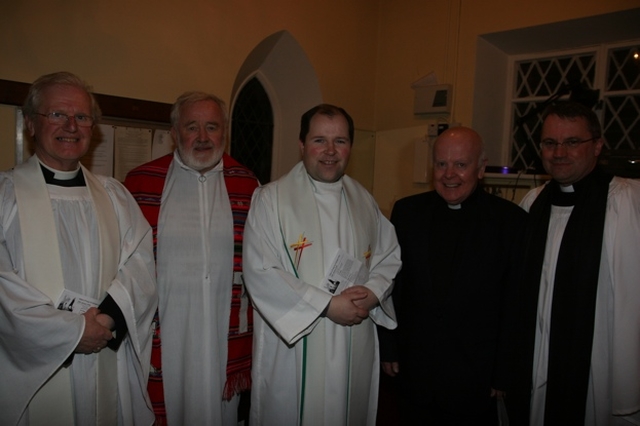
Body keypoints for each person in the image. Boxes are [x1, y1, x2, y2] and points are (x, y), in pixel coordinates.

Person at [0, 71, 157, 425]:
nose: (71, 126)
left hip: (105, 348)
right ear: (30, 124)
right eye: (57, 114)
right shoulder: (4, 196)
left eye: (82, 117)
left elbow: (141, 263)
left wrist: (106, 321)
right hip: (37, 365)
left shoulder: (114, 195)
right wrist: (71, 333)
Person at [242, 104, 401, 425]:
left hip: (354, 336)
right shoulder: (270, 200)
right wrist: (327, 306)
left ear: (350, 147)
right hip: (296, 345)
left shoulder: (364, 200)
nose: (330, 151)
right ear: (301, 145)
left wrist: (372, 294)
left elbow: (389, 256)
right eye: (319, 140)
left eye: (340, 141)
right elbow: (260, 271)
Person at [124, 91, 259, 425]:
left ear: (224, 132)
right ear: (174, 133)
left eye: (212, 127)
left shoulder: (249, 185)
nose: (202, 137)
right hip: (167, 327)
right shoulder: (140, 183)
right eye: (192, 127)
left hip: (222, 330)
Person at [377, 127, 527, 424]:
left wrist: (504, 372)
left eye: (461, 164)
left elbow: (516, 301)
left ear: (481, 168)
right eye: (442, 164)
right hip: (414, 369)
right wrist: (389, 346)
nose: (449, 174)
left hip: (475, 376)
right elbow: (393, 285)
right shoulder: (407, 213)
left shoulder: (510, 222)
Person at [508, 101, 640, 425]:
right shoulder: (533, 202)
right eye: (550, 143)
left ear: (597, 146)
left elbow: (631, 296)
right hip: (537, 352)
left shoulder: (624, 200)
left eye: (571, 142)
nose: (559, 152)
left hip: (597, 356)